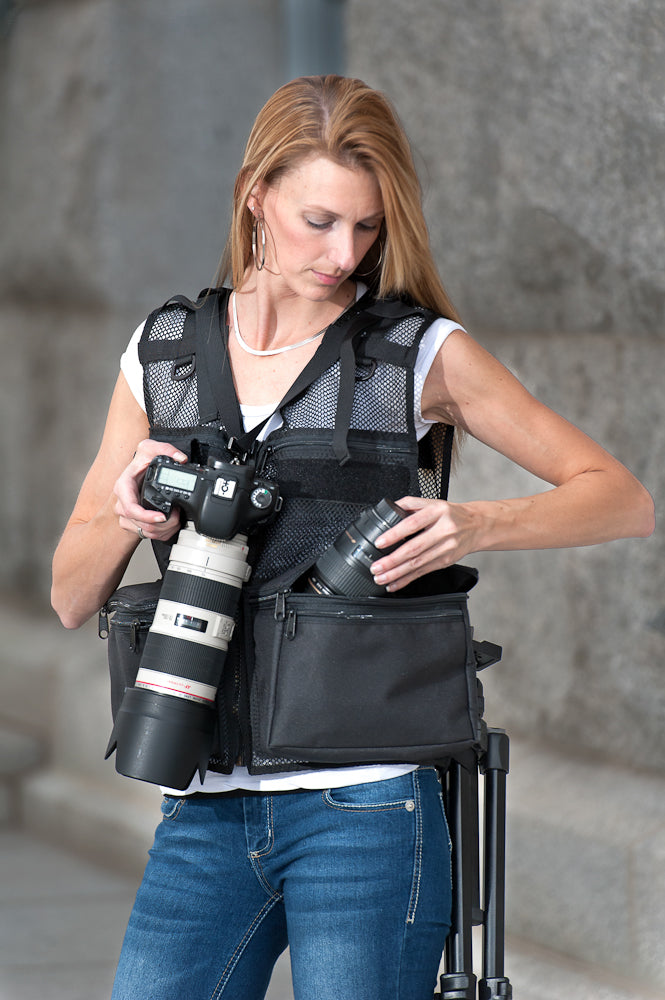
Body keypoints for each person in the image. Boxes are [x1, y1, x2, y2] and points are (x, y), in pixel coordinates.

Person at [51, 75, 654, 1000]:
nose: (344, 253)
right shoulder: (164, 352)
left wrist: (475, 522)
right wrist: (129, 515)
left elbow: (619, 497)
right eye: (319, 221)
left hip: (366, 807)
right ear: (255, 196)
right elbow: (68, 597)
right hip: (204, 806)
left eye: (367, 227)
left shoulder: (413, 353)